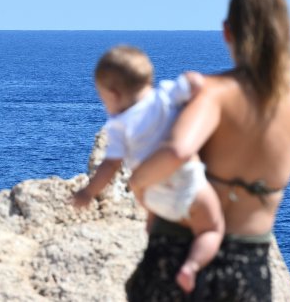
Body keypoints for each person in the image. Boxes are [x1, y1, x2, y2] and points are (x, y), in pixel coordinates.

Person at [125, 0, 290, 301]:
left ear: (227, 31)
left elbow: (179, 150)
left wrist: (137, 183)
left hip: (179, 257)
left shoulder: (214, 93)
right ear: (286, 33)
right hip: (250, 266)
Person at [72, 45, 224, 293]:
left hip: (154, 196)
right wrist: (192, 83)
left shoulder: (118, 127)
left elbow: (110, 166)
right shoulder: (165, 95)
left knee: (153, 223)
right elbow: (194, 82)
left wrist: (88, 193)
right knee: (213, 228)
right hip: (188, 186)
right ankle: (192, 267)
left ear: (113, 94)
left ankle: (154, 240)